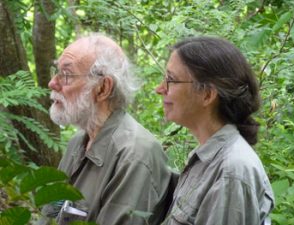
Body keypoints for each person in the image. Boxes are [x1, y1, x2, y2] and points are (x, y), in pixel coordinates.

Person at [42, 33, 173, 225]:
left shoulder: (135, 154)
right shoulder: (78, 142)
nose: (52, 83)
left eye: (66, 75)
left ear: (103, 88)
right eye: (56, 71)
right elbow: (50, 216)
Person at [155, 36, 275, 225]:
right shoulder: (210, 158)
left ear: (207, 94)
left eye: (171, 80)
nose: (160, 89)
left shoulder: (231, 171)